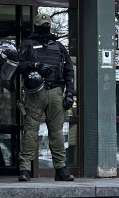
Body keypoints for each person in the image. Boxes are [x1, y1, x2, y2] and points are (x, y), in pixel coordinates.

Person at [15, 12, 75, 182]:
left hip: (56, 91)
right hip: (35, 93)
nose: (44, 30)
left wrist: (70, 93)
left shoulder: (59, 47)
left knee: (56, 133)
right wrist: (35, 65)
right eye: (42, 27)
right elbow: (16, 67)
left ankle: (60, 169)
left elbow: (69, 71)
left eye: (46, 27)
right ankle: (25, 169)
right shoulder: (28, 44)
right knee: (30, 133)